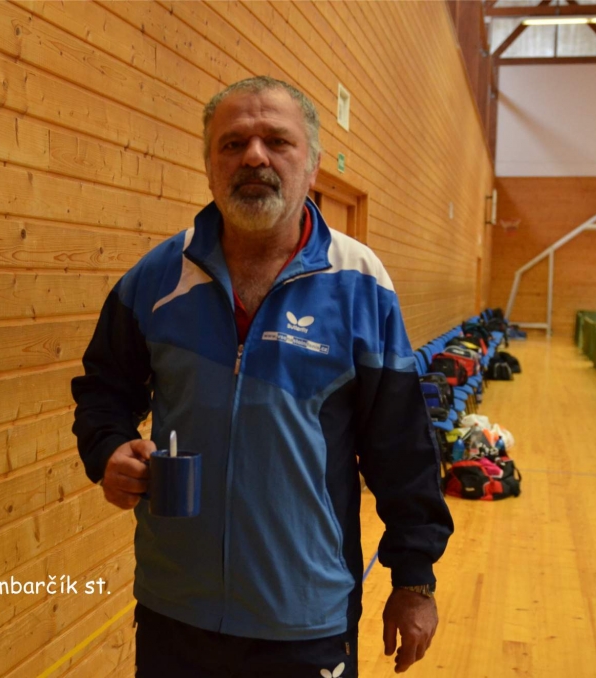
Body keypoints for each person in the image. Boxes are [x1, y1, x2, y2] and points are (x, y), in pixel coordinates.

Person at [72, 76, 453, 677]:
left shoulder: (361, 284)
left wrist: (414, 580)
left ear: (313, 164)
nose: (254, 156)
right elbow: (103, 389)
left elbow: (402, 446)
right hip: (176, 608)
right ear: (209, 166)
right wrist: (108, 448)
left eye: (277, 141)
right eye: (233, 144)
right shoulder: (156, 277)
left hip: (306, 618)